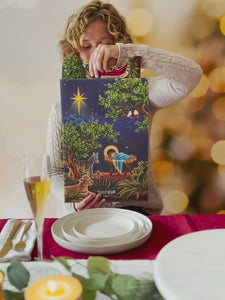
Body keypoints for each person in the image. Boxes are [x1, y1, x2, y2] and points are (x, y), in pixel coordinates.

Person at [47, 0, 202, 217]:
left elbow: (191, 76)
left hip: (139, 215)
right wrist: (74, 202)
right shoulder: (62, 108)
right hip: (82, 218)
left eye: (103, 44)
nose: (95, 54)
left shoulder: (141, 94)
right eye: (86, 46)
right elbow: (53, 171)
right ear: (73, 52)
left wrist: (127, 53)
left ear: (116, 46)